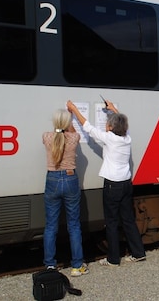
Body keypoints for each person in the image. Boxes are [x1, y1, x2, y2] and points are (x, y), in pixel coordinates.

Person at [67, 99, 146, 266]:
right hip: (126, 184)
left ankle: (113, 259)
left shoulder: (109, 138)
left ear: (110, 127)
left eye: (108, 124)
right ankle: (139, 253)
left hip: (112, 185)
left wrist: (73, 109)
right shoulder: (127, 138)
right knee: (128, 219)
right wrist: (113, 110)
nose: (105, 125)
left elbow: (87, 126)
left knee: (111, 222)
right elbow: (122, 124)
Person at [42, 109, 89, 277]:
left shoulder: (46, 137)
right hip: (70, 179)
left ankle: (50, 266)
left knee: (51, 226)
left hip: (52, 180)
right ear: (67, 123)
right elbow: (73, 132)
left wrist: (59, 126)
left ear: (55, 122)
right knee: (74, 225)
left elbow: (57, 134)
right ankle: (77, 266)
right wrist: (70, 121)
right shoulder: (74, 138)